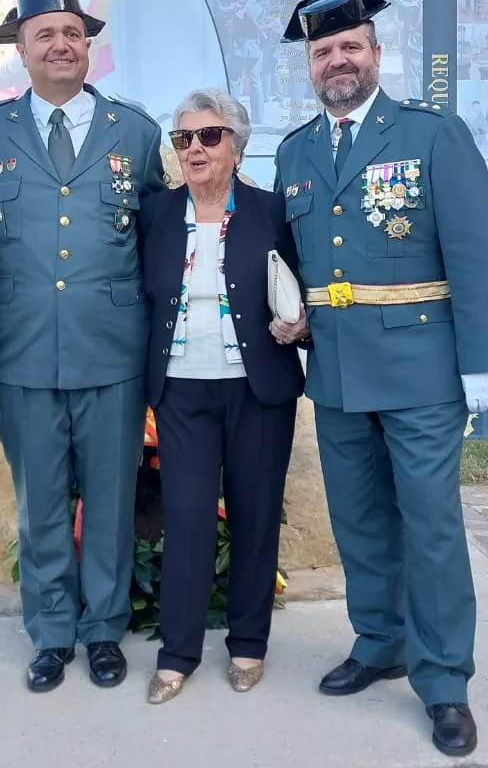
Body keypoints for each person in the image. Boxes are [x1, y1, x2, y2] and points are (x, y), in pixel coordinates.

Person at [271, 0, 488, 757]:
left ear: (375, 53)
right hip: (337, 368)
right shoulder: (296, 152)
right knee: (359, 521)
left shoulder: (431, 135)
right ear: (310, 67)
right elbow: (295, 263)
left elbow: (475, 254)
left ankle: (443, 679)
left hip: (421, 369)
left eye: (350, 47)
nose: (337, 61)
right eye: (322, 52)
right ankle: (380, 641)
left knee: (431, 526)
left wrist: (482, 363)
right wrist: (293, 315)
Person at [0, 0, 167, 693]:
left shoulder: (135, 132)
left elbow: (158, 239)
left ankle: (103, 630)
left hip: (112, 349)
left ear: (89, 47)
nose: (60, 45)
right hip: (20, 350)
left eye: (72, 33)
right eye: (44, 34)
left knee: (110, 501)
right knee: (40, 503)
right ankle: (51, 633)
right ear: (21, 50)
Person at [136, 90, 306, 704]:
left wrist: (302, 324)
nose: (195, 149)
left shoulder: (273, 212)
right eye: (184, 138)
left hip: (257, 389)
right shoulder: (155, 215)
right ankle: (177, 654)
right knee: (187, 521)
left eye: (209, 136)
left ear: (236, 145)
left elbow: (307, 288)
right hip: (181, 390)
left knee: (256, 517)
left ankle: (249, 644)